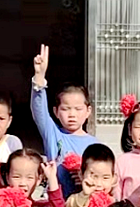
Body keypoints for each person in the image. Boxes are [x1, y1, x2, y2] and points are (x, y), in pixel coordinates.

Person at [30, 44, 98, 198]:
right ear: (56, 112)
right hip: (56, 201)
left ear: (88, 111)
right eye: (66, 109)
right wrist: (39, 77)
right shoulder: (53, 134)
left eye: (78, 109)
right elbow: (39, 110)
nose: (72, 114)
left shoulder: (95, 145)